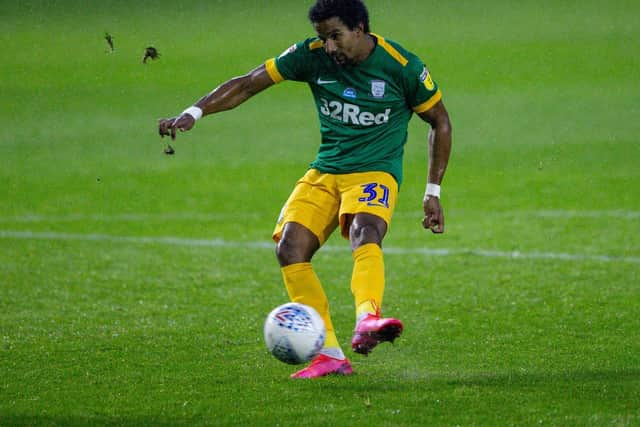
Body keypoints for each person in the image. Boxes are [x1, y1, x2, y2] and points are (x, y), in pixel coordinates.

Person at [158, 0, 452, 379]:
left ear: (360, 29)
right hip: (326, 170)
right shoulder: (310, 56)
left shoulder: (402, 66)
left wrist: (433, 191)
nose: (329, 47)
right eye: (323, 38)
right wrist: (194, 112)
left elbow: (439, 121)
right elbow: (248, 84)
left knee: (365, 231)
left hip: (375, 172)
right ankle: (329, 354)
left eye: (336, 36)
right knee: (289, 248)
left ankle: (368, 319)